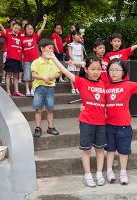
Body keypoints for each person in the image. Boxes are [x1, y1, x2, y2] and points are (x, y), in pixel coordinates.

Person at [47, 53, 107, 187]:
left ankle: (99, 173)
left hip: (102, 123)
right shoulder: (81, 82)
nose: (96, 72)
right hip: (86, 122)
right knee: (86, 150)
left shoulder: (104, 84)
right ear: (86, 69)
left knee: (100, 150)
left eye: (98, 69)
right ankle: (88, 175)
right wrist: (53, 58)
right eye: (92, 69)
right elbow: (65, 71)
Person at [31, 38, 61, 137]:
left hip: (50, 88)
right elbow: (34, 75)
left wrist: (53, 76)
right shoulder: (36, 62)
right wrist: (43, 78)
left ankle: (50, 127)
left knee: (50, 109)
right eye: (50, 48)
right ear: (42, 49)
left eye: (52, 48)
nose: (52, 50)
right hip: (39, 88)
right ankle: (38, 128)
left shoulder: (53, 62)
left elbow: (59, 73)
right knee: (38, 109)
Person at [0, 13, 24, 96]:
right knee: (8, 75)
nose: (16, 29)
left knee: (16, 76)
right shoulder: (9, 35)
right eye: (15, 28)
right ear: (12, 27)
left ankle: (16, 91)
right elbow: (1, 27)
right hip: (10, 58)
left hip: (18, 59)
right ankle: (8, 91)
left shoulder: (20, 37)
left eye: (18, 29)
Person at [21, 14, 47, 96]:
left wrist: (45, 20)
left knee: (34, 76)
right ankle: (27, 90)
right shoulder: (22, 38)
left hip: (35, 60)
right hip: (26, 60)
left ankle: (33, 90)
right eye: (28, 29)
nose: (30, 30)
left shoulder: (35, 36)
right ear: (25, 30)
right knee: (27, 76)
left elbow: (41, 30)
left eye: (31, 29)